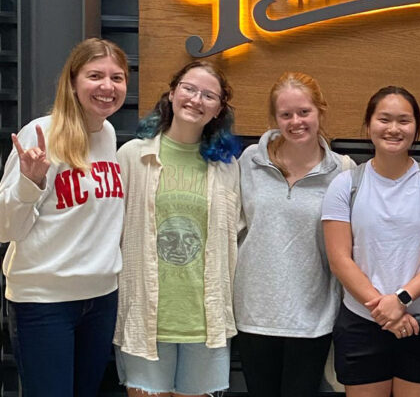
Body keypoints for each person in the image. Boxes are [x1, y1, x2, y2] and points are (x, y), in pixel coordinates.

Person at [0, 38, 128, 397]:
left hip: (101, 297)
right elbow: (5, 228)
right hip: (44, 301)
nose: (107, 87)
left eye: (117, 78)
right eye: (95, 76)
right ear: (72, 82)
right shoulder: (41, 133)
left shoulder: (108, 133)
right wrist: (30, 182)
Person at [322, 86, 420, 397]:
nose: (394, 129)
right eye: (384, 119)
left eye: (404, 121)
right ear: (369, 125)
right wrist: (383, 311)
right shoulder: (346, 185)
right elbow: (340, 259)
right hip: (361, 322)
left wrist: (400, 300)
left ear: (416, 128)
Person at [114, 60, 242, 397]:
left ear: (218, 110)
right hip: (146, 318)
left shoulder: (227, 168)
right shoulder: (132, 156)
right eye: (189, 88)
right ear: (172, 93)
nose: (197, 100)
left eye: (209, 96)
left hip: (204, 321)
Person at [234, 72, 356, 397]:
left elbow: (351, 248)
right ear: (275, 118)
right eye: (285, 114)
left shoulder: (344, 172)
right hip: (254, 313)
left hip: (312, 317)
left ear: (320, 111)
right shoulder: (249, 162)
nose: (295, 121)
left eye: (304, 112)